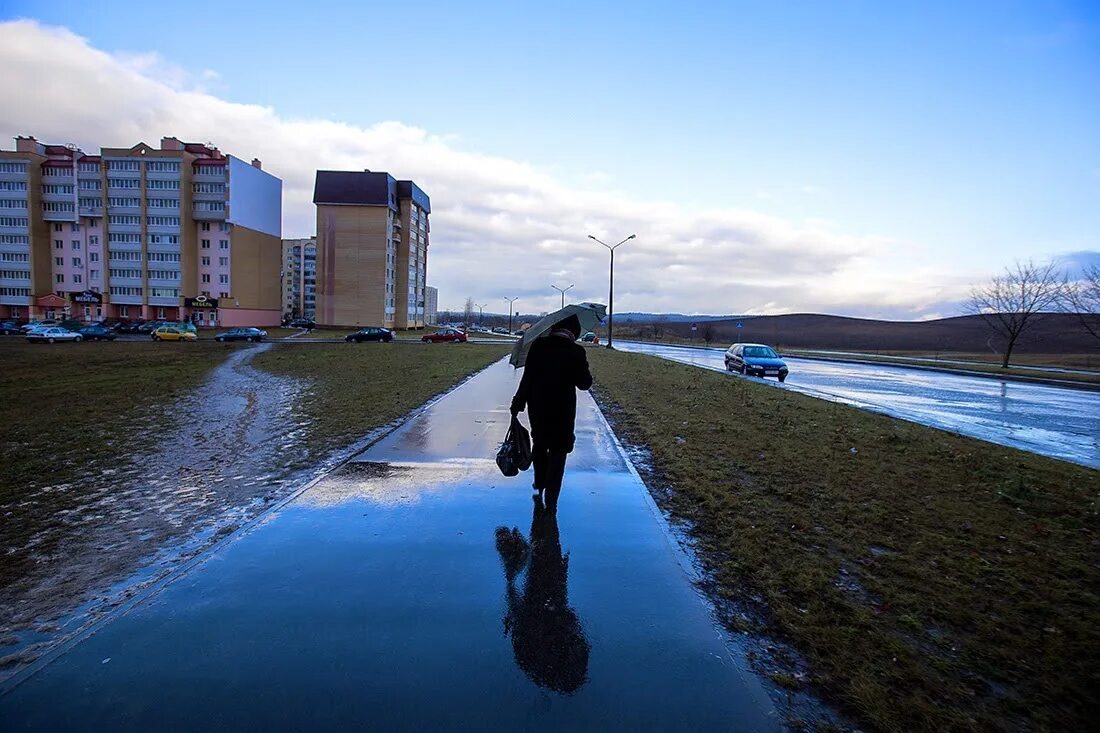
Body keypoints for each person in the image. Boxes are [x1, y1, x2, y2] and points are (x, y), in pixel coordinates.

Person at [510, 315, 593, 512]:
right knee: (559, 450)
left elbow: (527, 377)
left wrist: (518, 403)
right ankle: (552, 498)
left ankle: (539, 481)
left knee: (540, 443)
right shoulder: (576, 351)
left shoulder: (539, 346)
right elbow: (584, 384)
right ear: (573, 332)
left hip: (538, 406)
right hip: (563, 409)